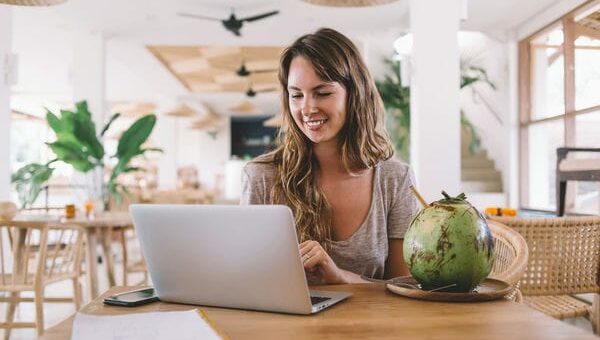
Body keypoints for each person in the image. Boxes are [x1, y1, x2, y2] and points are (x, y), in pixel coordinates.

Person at [240, 28, 419, 284]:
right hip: (287, 324)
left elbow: (404, 288)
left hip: (371, 324)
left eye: (322, 93)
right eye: (296, 95)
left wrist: (340, 277)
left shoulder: (396, 179)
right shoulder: (261, 176)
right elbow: (247, 279)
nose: (307, 108)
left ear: (354, 94)